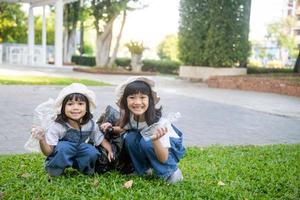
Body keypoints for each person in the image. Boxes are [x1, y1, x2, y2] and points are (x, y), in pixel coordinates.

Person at [100, 76, 185, 184]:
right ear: (125, 101)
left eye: (142, 97)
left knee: (146, 142)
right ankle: (144, 170)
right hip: (150, 141)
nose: (137, 102)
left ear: (149, 100)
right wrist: (110, 128)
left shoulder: (159, 124)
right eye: (132, 97)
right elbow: (124, 129)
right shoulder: (131, 116)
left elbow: (163, 157)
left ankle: (171, 172)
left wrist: (155, 140)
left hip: (166, 148)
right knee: (130, 138)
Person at [32, 83, 113, 176]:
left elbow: (100, 139)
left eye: (80, 104)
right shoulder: (58, 126)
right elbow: (48, 152)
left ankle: (84, 170)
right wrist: (42, 139)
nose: (75, 107)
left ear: (87, 108)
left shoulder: (90, 124)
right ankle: (54, 170)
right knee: (64, 147)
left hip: (79, 148)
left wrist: (110, 150)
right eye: (70, 104)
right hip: (61, 152)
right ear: (63, 108)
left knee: (91, 151)